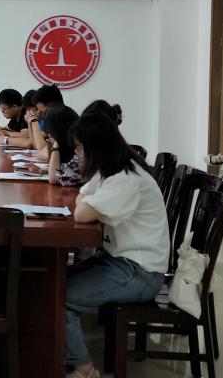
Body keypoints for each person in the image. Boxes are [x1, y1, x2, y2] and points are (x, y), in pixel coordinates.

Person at [64, 112, 168, 378]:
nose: (77, 153)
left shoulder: (125, 178)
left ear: (95, 147)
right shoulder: (112, 169)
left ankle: (85, 370)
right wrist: (85, 202)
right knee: (53, 282)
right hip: (120, 261)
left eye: (80, 147)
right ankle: (59, 351)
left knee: (60, 298)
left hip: (140, 272)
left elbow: (81, 212)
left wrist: (85, 203)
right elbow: (83, 195)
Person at [34, 105, 84, 186]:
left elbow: (53, 178)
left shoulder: (82, 152)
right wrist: (48, 169)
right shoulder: (74, 148)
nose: (49, 137)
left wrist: (56, 144)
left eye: (50, 134)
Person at [27, 84, 63, 159]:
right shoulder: (59, 113)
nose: (38, 113)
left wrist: (34, 121)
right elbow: (35, 145)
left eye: (41, 111)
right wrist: (30, 123)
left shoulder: (57, 116)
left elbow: (42, 150)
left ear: (52, 105)